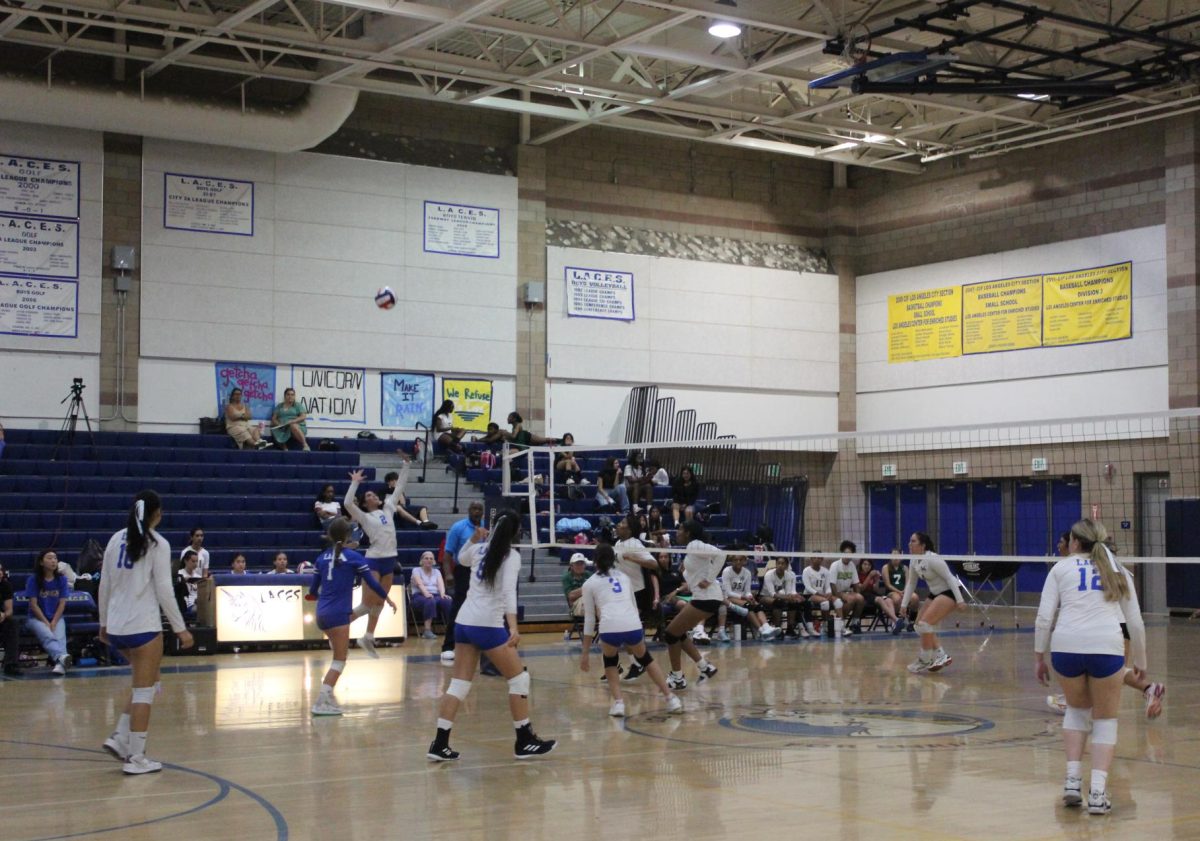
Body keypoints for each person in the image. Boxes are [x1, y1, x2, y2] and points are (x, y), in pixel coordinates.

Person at [1034, 518, 1148, 815]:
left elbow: (1044, 618)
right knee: (1105, 719)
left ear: (1073, 542)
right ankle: (1097, 793)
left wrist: (1038, 657)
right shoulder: (1118, 571)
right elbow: (1135, 622)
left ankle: (1072, 782)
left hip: (1066, 647)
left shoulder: (1060, 569)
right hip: (1105, 648)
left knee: (1077, 710)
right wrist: (1141, 664)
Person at [427, 510, 556, 761]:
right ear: (516, 533)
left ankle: (439, 744)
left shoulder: (478, 550)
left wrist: (474, 539)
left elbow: (461, 559)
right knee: (519, 680)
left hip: (464, 622)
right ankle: (524, 740)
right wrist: (514, 628)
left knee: (459, 684)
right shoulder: (512, 556)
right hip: (487, 624)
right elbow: (509, 593)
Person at [98, 490, 193, 774]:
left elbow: (104, 583)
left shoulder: (116, 538)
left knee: (149, 682)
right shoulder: (158, 544)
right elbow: (165, 590)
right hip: (144, 628)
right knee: (144, 691)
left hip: (116, 627)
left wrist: (103, 623)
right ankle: (136, 758)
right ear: (156, 515)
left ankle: (120, 737)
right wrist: (180, 628)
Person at [1045, 531, 1166, 719]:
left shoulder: (1082, 568)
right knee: (1110, 670)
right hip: (1114, 625)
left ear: (1074, 544)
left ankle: (1085, 708)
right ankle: (1149, 689)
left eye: (1061, 541)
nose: (1058, 545)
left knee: (1107, 671)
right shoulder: (1084, 567)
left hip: (1111, 624)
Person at [306, 518, 396, 715]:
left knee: (337, 652)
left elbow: (313, 589)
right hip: (339, 615)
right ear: (348, 535)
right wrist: (386, 598)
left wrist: (321, 595)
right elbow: (372, 583)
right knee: (340, 660)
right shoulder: (354, 557)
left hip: (322, 613)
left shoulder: (321, 558)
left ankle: (328, 696)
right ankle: (321, 701)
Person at [580, 545, 682, 717]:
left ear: (595, 562)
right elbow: (633, 606)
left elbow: (590, 620)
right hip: (632, 623)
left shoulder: (589, 584)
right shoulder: (625, 577)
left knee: (610, 661)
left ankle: (619, 703)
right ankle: (670, 698)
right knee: (646, 659)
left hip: (609, 627)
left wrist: (585, 654)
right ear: (613, 560)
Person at [343, 464, 408, 656]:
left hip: (390, 560)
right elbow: (347, 504)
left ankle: (368, 636)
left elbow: (400, 487)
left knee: (378, 603)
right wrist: (354, 483)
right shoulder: (363, 516)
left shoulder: (388, 508)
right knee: (366, 604)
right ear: (365, 503)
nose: (371, 496)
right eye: (368, 496)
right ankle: (336, 628)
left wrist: (406, 465)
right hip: (373, 560)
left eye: (373, 494)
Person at [662, 521, 722, 690]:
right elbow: (695, 576)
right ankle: (705, 667)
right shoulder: (690, 550)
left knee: (670, 635)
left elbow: (720, 554)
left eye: (680, 529)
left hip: (707, 598)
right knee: (677, 633)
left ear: (688, 533)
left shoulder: (695, 544)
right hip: (704, 597)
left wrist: (709, 579)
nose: (677, 532)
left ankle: (677, 678)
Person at [900, 532, 965, 673]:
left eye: (913, 541)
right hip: (935, 592)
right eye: (909, 541)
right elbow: (911, 583)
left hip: (950, 591)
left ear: (922, 545)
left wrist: (960, 600)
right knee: (918, 626)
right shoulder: (913, 561)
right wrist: (904, 604)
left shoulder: (933, 559)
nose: (909, 544)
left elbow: (949, 578)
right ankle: (941, 655)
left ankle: (925, 659)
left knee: (925, 624)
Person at [610, 517, 659, 680]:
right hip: (622, 593)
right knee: (623, 630)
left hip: (637, 593)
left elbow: (654, 564)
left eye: (622, 524)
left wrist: (633, 558)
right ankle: (635, 663)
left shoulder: (634, 544)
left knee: (627, 630)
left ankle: (637, 663)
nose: (618, 525)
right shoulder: (617, 543)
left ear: (629, 530)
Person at [439, 501, 485, 663]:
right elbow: (447, 555)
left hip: (482, 572)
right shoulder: (458, 528)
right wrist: (448, 574)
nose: (477, 512)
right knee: (458, 607)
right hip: (463, 571)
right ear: (468, 510)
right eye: (474, 508)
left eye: (480, 509)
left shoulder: (487, 528)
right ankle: (448, 646)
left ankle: (479, 644)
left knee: (481, 608)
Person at [24, 549, 72, 674]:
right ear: (41, 562)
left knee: (60, 637)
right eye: (49, 558)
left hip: (56, 617)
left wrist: (54, 621)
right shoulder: (33, 580)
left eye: (55, 558)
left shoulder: (62, 580)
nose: (53, 561)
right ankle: (62, 657)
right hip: (36, 618)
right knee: (47, 635)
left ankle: (60, 665)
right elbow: (33, 605)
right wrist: (46, 622)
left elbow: (62, 603)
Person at [717, 553, 778, 641]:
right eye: (735, 560)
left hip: (742, 597)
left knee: (757, 605)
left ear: (744, 561)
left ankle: (766, 627)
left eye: (740, 560)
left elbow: (747, 591)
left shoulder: (747, 572)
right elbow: (728, 592)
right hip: (728, 598)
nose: (738, 562)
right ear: (731, 562)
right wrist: (743, 597)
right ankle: (761, 631)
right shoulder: (727, 571)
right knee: (748, 606)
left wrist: (749, 596)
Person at [760, 556, 806, 638]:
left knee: (793, 603)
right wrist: (789, 597)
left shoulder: (788, 575)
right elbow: (772, 594)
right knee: (778, 602)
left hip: (780, 596)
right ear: (776, 564)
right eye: (778, 563)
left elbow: (788, 592)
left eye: (783, 564)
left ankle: (790, 629)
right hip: (765, 596)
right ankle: (777, 629)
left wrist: (794, 598)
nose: (780, 565)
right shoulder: (769, 574)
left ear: (787, 566)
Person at [801, 555, 846, 638]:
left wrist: (829, 593)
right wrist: (821, 595)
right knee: (825, 602)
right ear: (811, 559)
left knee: (838, 602)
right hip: (809, 595)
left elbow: (827, 586)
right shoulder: (806, 570)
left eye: (819, 558)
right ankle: (826, 625)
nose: (817, 559)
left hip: (823, 595)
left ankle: (842, 626)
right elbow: (808, 587)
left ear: (822, 559)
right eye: (815, 558)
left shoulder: (825, 571)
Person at [411, 551, 452, 639]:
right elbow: (419, 584)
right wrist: (426, 594)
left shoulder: (437, 571)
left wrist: (442, 594)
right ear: (421, 561)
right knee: (430, 601)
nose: (429, 560)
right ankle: (427, 631)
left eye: (431, 559)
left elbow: (441, 584)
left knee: (448, 601)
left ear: (434, 561)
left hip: (436, 595)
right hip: (419, 595)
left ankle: (451, 629)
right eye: (426, 558)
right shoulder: (416, 570)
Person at [878, 549, 919, 634]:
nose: (896, 558)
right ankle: (896, 622)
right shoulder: (886, 567)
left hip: (903, 591)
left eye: (898, 556)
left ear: (901, 557)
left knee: (915, 598)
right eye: (894, 555)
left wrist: (905, 591)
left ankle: (912, 622)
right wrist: (899, 592)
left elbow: (909, 582)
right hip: (891, 592)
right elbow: (887, 584)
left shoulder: (905, 568)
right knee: (896, 599)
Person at [829, 541, 863, 635]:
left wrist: (858, 595)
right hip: (836, 592)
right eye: (846, 553)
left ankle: (855, 623)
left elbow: (856, 583)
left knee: (860, 598)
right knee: (851, 599)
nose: (848, 556)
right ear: (842, 553)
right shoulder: (835, 565)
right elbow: (832, 584)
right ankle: (840, 623)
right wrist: (837, 597)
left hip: (847, 592)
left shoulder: (852, 565)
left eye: (850, 554)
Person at [0, 562, 19, 676]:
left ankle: (10, 664)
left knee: (12, 623)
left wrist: (4, 615)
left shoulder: (5, 585)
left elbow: (9, 610)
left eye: (1, 570)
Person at [562, 553, 593, 618]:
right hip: (576, 605)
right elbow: (570, 596)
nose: (579, 566)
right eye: (577, 564)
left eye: (581, 564)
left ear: (585, 565)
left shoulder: (589, 574)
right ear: (571, 566)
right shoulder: (567, 577)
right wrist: (588, 588)